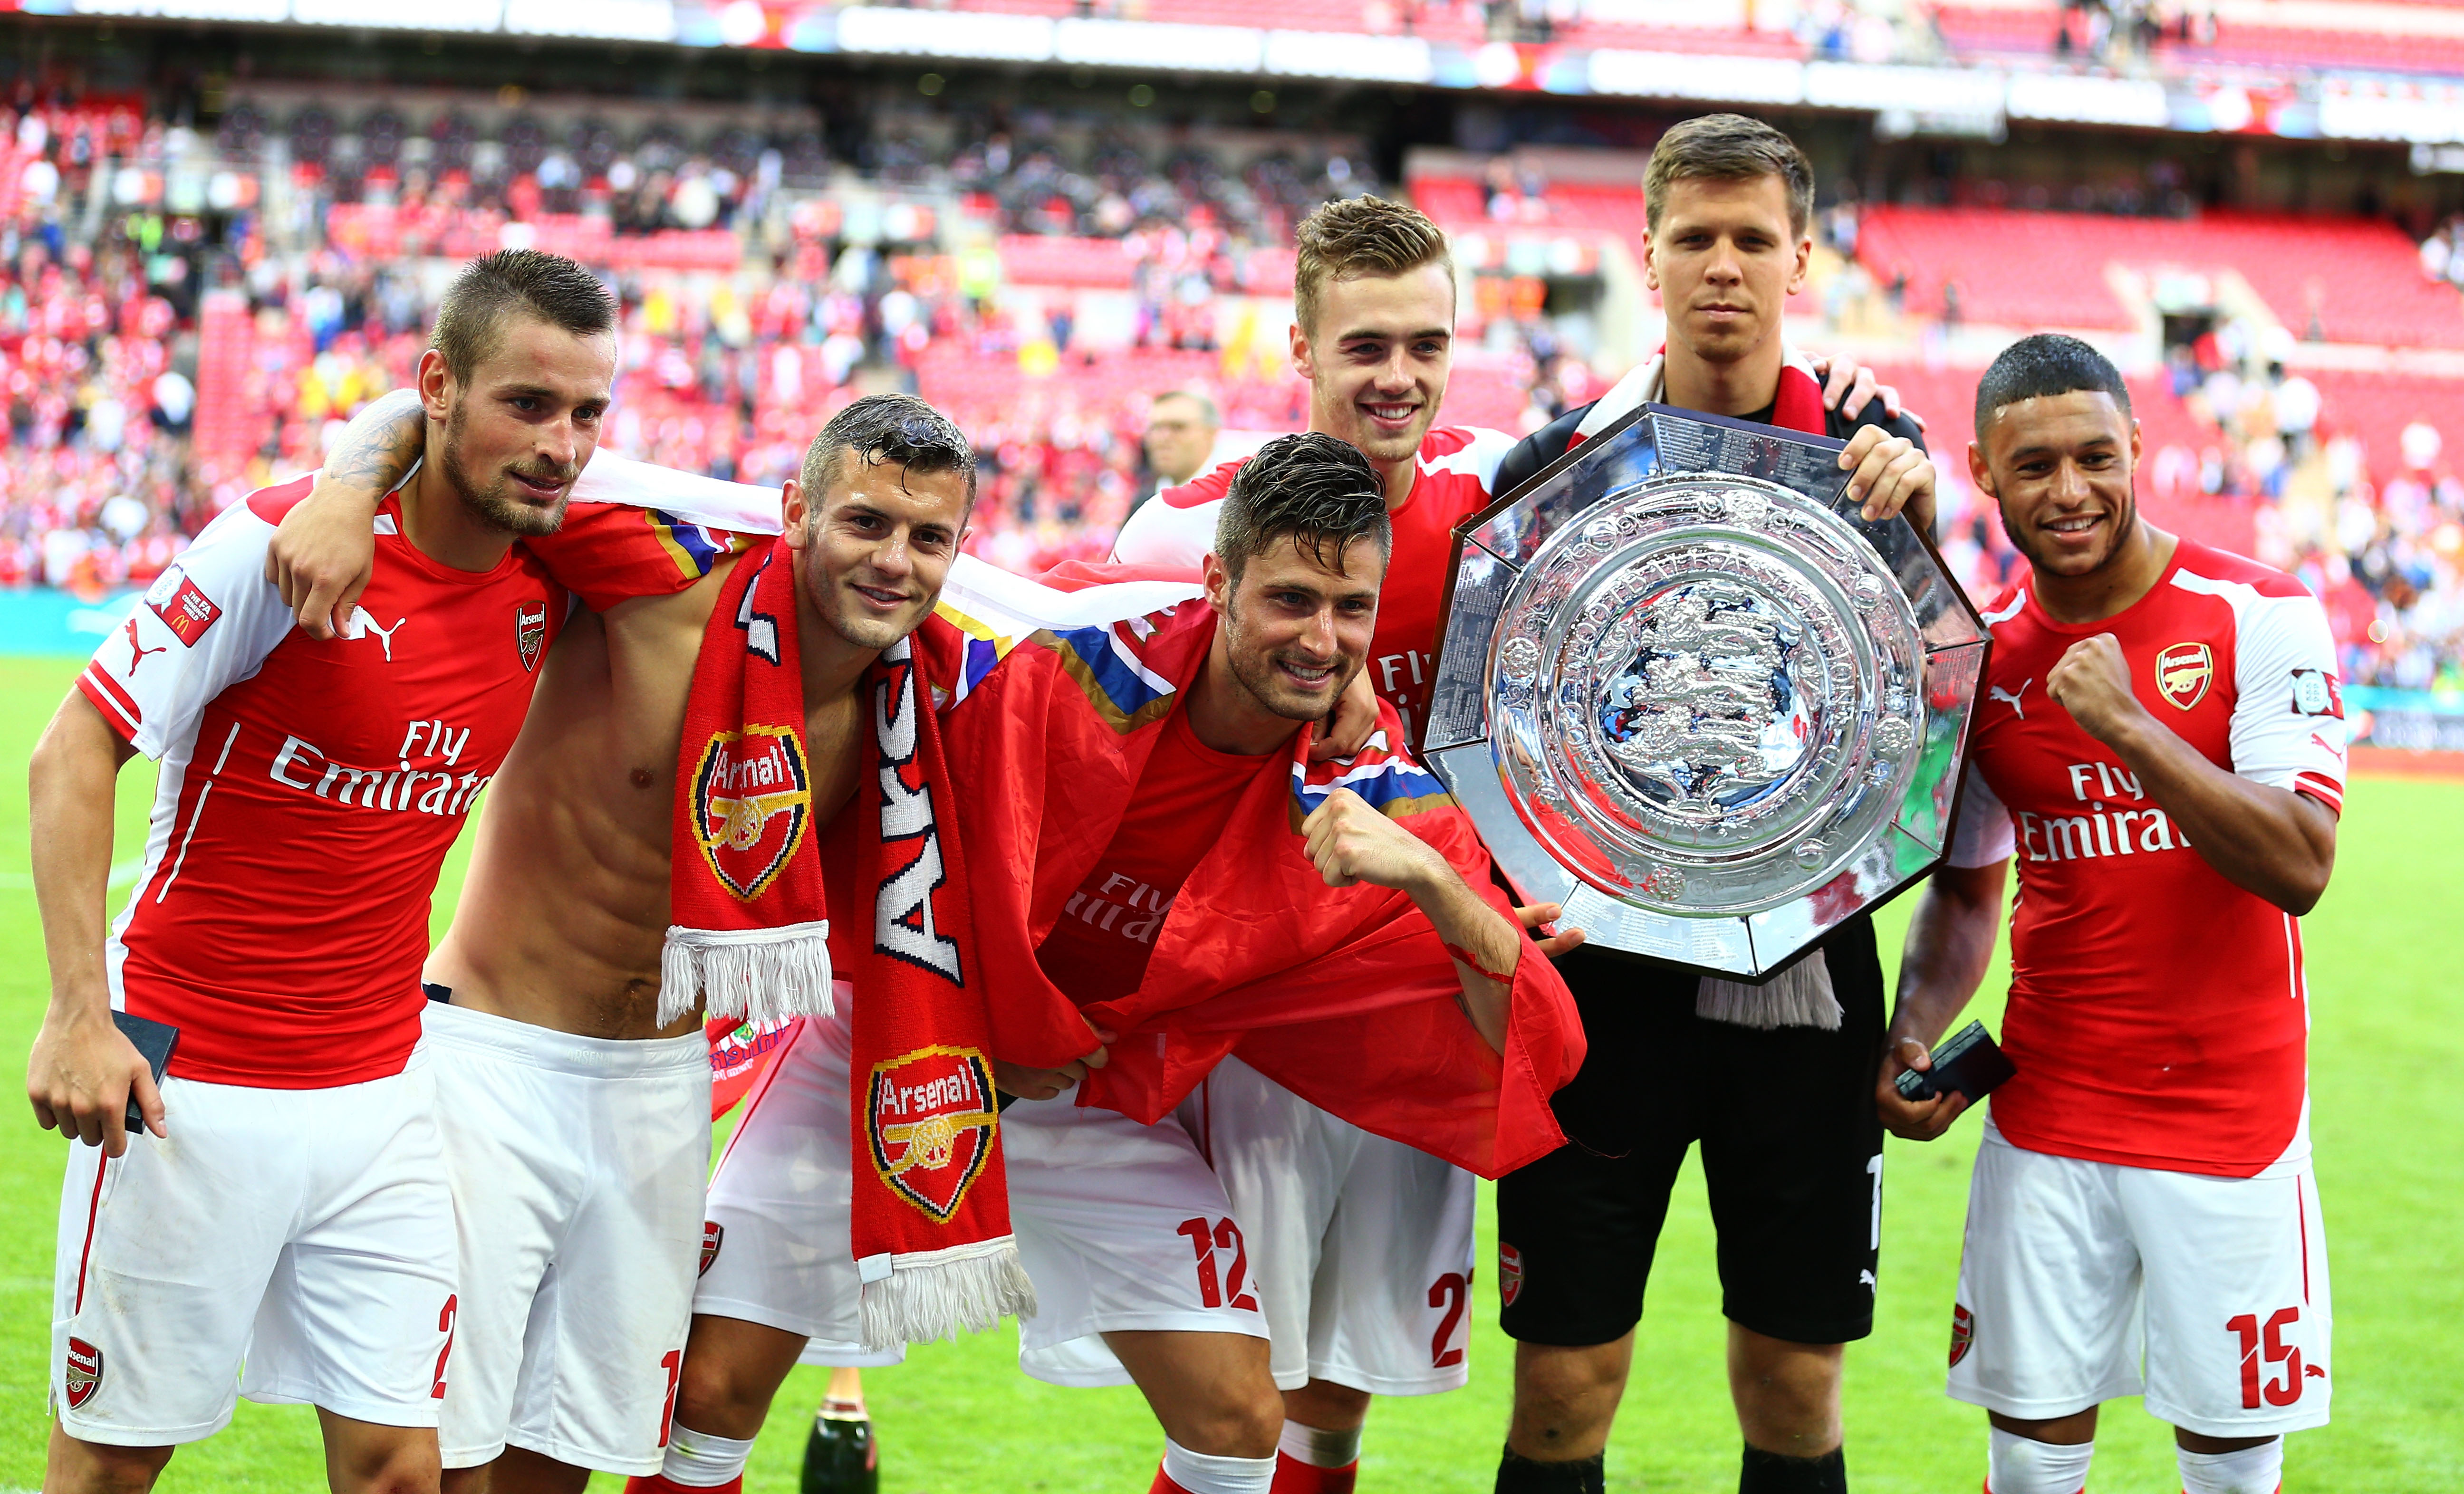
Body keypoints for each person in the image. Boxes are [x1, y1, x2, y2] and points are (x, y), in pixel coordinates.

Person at [1109, 192, 1921, 1494]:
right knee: (1227, 1406)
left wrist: (1853, 404)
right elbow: (1115, 775)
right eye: (1365, 346)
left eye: (1425, 346)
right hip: (1251, 1020)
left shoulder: (1503, 491)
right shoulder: (1174, 533)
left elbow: (1699, 472)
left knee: (1334, 1402)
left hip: (1426, 1004)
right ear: (1301, 347)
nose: (1397, 376)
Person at [270, 393, 1030, 1494]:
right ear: (794, 512)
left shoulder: (917, 701)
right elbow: (450, 425)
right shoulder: (660, 583)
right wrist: (347, 488)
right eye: (866, 523)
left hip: (659, 1100)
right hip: (494, 1057)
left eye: (928, 539)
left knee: (562, 1465)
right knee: (418, 1468)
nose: (894, 562)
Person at [26, 249, 611, 1494]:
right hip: (188, 1085)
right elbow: (73, 752)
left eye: (587, 411)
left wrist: (365, 462)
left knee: (405, 1470)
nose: (562, 444)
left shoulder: (556, 561)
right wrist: (78, 1015)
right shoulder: (276, 546)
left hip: (384, 1092)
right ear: (439, 386)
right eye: (529, 404)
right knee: (112, 1467)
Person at [959, 431, 1584, 1494]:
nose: (1324, 640)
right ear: (1216, 579)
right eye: (1292, 600)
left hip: (1093, 1096)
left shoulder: (1373, 787)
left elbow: (1544, 1042)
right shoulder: (1070, 659)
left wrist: (1433, 885)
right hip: (920, 1035)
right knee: (718, 1369)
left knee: (1251, 1416)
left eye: (1352, 610)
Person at [1484, 113, 1936, 1494]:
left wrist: (1921, 518)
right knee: (1565, 1382)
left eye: (1754, 239)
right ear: (1649, 254)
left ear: (1802, 256)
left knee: (1794, 1382)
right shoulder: (1554, 467)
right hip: (1600, 975)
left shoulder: (1876, 463)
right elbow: (1493, 722)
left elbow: (1929, 715)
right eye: (1696, 238)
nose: (1723, 266)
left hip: (1800, 977)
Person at [1881, 333, 2344, 1494]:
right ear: (1984, 474)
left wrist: (2132, 729)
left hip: (2229, 1113)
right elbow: (1965, 886)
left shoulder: (2259, 612)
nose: (2070, 489)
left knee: (2228, 1465)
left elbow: (2298, 863)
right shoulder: (1981, 660)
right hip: (2047, 1109)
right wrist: (1913, 1025)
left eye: (2095, 456)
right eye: (2032, 466)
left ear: (2138, 447)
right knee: (2030, 1460)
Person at [1138, 390, 1223, 511]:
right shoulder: (1142, 502)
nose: (1163, 438)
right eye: (1155, 428)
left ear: (1210, 434)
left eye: (1178, 427)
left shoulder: (1230, 502)